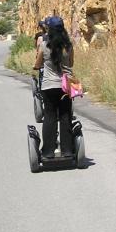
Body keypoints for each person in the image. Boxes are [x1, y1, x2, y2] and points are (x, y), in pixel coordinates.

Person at [34, 16, 74, 158]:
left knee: (50, 117)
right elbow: (71, 63)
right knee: (65, 116)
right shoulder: (68, 46)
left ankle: (48, 152)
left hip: (49, 86)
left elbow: (38, 64)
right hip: (66, 87)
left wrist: (38, 65)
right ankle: (67, 151)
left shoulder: (44, 46)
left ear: (49, 30)